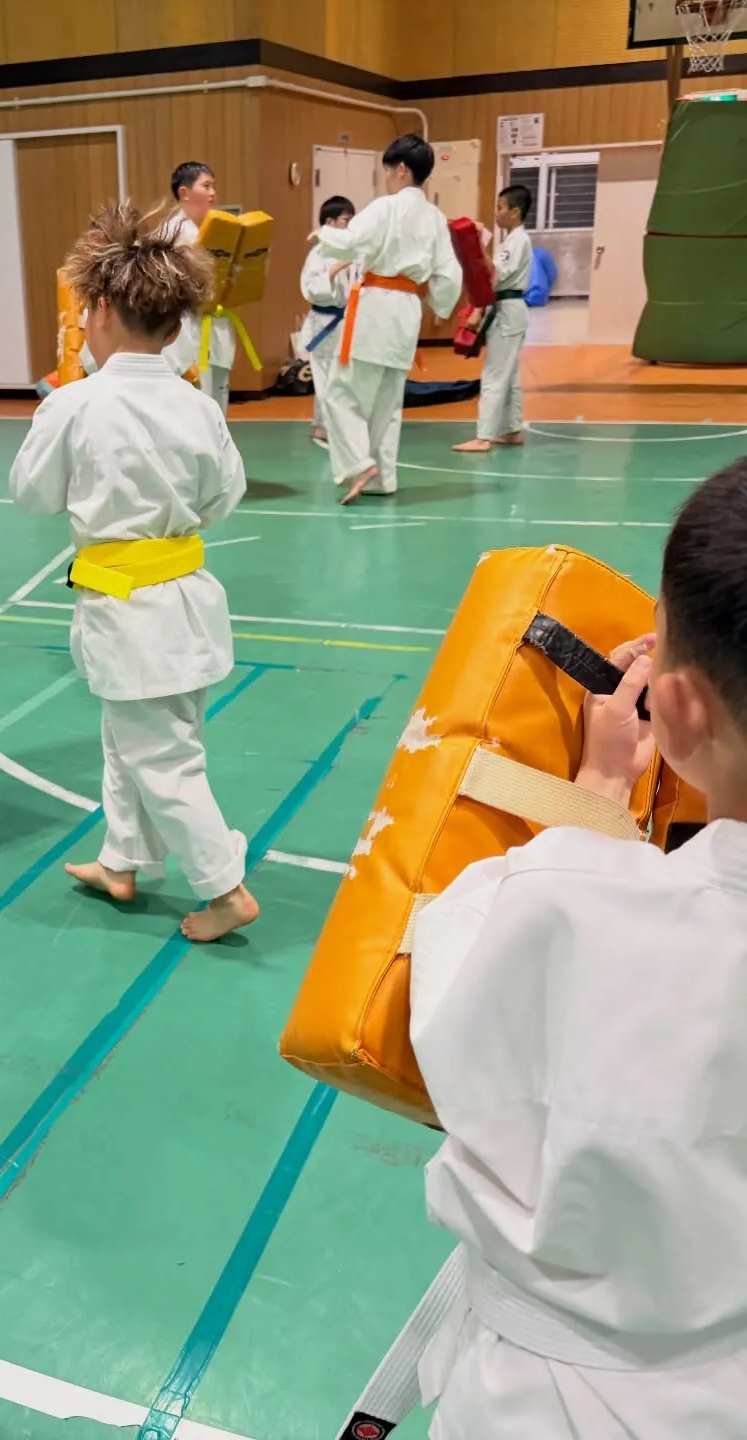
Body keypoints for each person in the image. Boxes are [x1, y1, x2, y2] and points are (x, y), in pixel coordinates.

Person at [409, 461, 747, 1437]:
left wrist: (597, 793)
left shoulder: (565, 905)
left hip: (556, 1406)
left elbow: (456, 1008)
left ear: (678, 710)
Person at [9, 203, 257, 943]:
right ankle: (123, 860)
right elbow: (225, 496)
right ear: (176, 328)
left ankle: (225, 889)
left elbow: (32, 497)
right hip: (189, 599)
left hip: (129, 609)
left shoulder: (75, 404)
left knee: (161, 758)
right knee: (136, 738)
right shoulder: (198, 405)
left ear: (101, 312)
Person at [315, 134, 463, 504]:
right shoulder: (434, 217)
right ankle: (382, 478)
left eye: (386, 170)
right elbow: (449, 275)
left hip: (377, 307)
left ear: (401, 169)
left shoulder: (387, 207)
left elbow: (351, 241)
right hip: (408, 310)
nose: (385, 178)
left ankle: (359, 464)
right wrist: (438, 304)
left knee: (340, 393)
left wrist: (324, 234)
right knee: (388, 402)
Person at [453, 185, 534, 454]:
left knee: (495, 374)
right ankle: (511, 429)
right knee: (509, 375)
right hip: (507, 309)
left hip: (508, 311)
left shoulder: (518, 241)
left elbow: (495, 274)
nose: (496, 213)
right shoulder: (513, 240)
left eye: (500, 207)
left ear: (515, 212)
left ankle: (483, 436)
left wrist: (476, 245)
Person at [160, 160, 236, 414]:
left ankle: (218, 440)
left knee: (218, 398)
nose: (213, 193)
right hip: (188, 325)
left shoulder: (213, 229)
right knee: (197, 402)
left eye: (213, 186)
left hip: (215, 321)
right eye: (206, 186)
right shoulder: (173, 232)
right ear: (184, 192)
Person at [299, 195, 357, 448]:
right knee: (325, 378)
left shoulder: (352, 252)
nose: (349, 224)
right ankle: (326, 426)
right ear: (330, 223)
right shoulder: (318, 253)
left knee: (342, 377)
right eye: (345, 219)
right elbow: (311, 288)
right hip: (323, 322)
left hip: (346, 321)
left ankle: (324, 425)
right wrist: (334, 270)